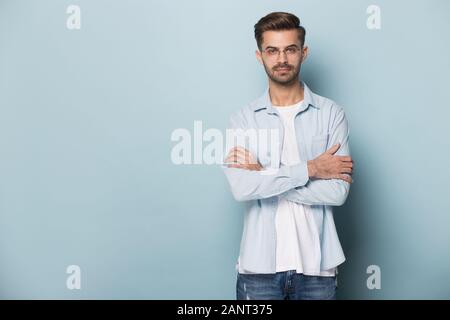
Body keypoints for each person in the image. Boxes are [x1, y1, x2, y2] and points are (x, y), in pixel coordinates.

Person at [222, 11, 354, 300]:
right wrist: (310, 168)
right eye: (272, 50)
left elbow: (337, 192)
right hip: (258, 272)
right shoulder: (243, 120)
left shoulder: (331, 114)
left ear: (303, 53)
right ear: (260, 56)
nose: (281, 59)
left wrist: (266, 175)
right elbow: (242, 188)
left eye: (290, 49)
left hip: (317, 270)